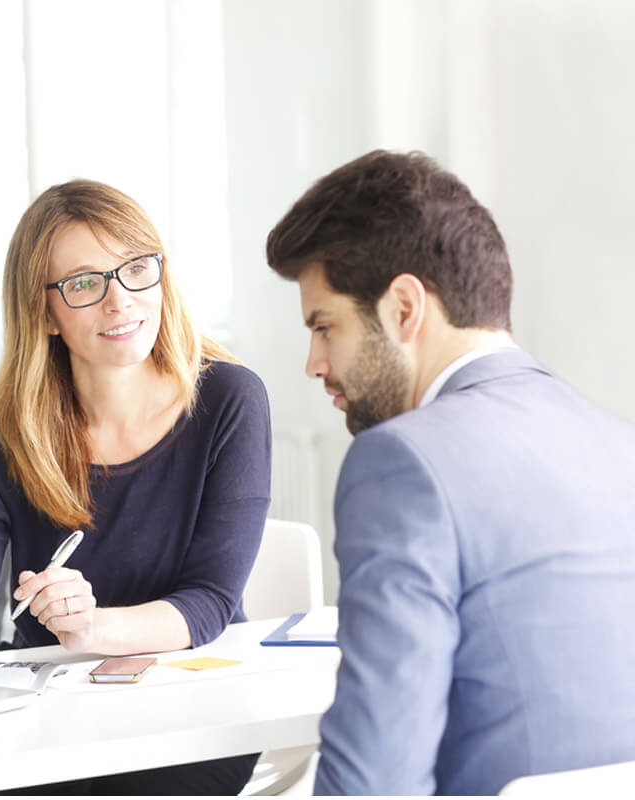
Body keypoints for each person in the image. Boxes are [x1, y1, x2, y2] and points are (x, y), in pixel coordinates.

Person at [0, 178, 271, 794]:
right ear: (44, 312)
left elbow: (210, 602)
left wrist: (94, 627)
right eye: (84, 283)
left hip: (188, 704)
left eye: (135, 268)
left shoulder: (229, 399)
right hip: (45, 707)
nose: (120, 301)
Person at [265, 149, 635, 795]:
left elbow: (376, 781)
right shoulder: (615, 439)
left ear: (404, 307)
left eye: (325, 326)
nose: (314, 362)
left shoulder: (402, 463)